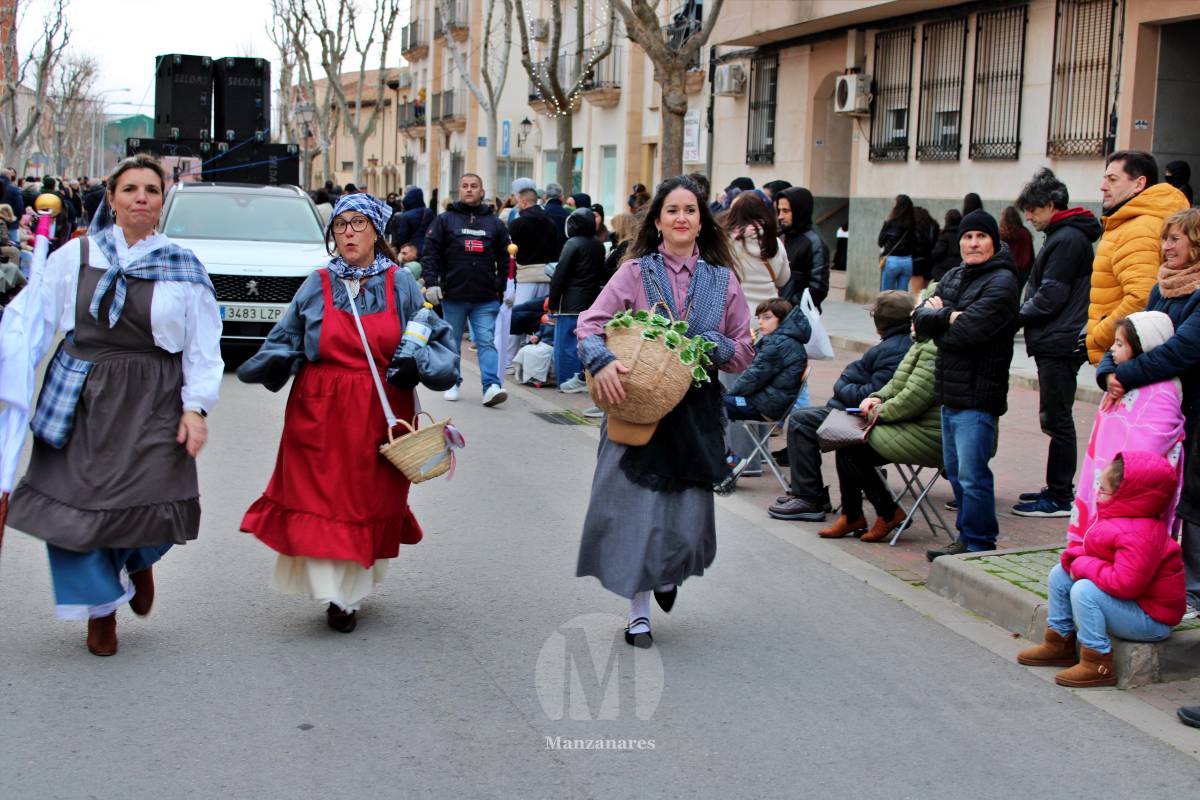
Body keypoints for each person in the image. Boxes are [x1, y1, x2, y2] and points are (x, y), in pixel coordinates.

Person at [0, 154, 222, 656]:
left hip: (153, 397)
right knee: (71, 503)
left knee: (147, 497)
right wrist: (7, 378)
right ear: (112, 198)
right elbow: (31, 320)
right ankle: (101, 612)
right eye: (129, 189)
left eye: (151, 189)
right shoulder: (75, 258)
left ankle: (136, 559)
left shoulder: (183, 267)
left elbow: (204, 347)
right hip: (79, 393)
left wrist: (196, 407)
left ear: (163, 202)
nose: (140, 196)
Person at [238, 192, 456, 633]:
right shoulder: (316, 283)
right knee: (318, 495)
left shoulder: (401, 283)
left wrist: (419, 363)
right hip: (319, 406)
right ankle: (332, 593)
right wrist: (276, 360)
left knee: (367, 497)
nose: (348, 233)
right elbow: (286, 336)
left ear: (376, 231)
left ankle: (351, 592)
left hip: (381, 405)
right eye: (340, 225)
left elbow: (437, 337)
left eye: (358, 224)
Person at [575, 175, 754, 647]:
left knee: (684, 517)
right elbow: (590, 324)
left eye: (690, 211)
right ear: (656, 222)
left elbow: (743, 349)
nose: (681, 218)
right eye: (672, 210)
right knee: (632, 511)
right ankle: (638, 615)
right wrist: (603, 361)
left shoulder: (723, 281)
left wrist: (716, 346)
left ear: (701, 221)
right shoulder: (634, 272)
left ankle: (667, 574)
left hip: (694, 413)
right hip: (636, 408)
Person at [1097, 208, 1200, 614]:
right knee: (1157, 490)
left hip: (1195, 406)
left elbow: (1185, 349)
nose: (1166, 246)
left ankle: (1193, 588)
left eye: (1176, 239)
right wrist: (1109, 372)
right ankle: (1150, 570)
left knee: (1193, 497)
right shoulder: (1163, 287)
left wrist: (1128, 375)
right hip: (1159, 411)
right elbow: (1131, 332)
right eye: (1164, 238)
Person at [1016, 453, 1185, 688]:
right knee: (1060, 573)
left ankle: (1098, 662)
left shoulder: (1140, 533)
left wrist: (1083, 565)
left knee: (1085, 590)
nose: (1097, 494)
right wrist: (1077, 561)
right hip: (1133, 603)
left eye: (1104, 490)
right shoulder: (1119, 518)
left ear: (1130, 496)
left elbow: (1125, 584)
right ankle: (1059, 642)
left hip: (1152, 620)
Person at [914, 209, 1020, 560]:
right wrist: (946, 316)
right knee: (957, 473)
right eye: (967, 237)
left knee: (973, 475)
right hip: (950, 391)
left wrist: (939, 319)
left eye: (981, 237)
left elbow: (968, 333)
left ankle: (978, 542)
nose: (973, 243)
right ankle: (967, 538)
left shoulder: (1002, 282)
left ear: (994, 241)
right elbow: (918, 322)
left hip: (978, 393)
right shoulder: (955, 275)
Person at [767, 291, 914, 521]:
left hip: (865, 415)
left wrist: (844, 383)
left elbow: (873, 394)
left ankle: (809, 498)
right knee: (808, 419)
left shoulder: (895, 349)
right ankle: (817, 499)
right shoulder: (896, 344)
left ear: (881, 322)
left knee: (801, 421)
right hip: (860, 411)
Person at [1012, 168, 1103, 517]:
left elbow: (1051, 295)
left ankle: (1060, 495)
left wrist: (1015, 316)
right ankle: (1056, 489)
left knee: (1057, 419)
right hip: (1058, 337)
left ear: (1050, 205)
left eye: (1033, 210)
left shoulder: (1066, 239)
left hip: (1059, 340)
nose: (1029, 217)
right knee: (1055, 417)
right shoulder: (1064, 235)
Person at [820, 304, 940, 542]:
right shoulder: (920, 346)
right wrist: (875, 397)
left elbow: (911, 401)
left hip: (929, 432)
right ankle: (853, 515)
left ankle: (886, 513)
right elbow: (896, 386)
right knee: (845, 440)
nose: (911, 325)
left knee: (852, 447)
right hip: (910, 424)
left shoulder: (932, 350)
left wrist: (877, 410)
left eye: (915, 320)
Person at [1071, 312, 1185, 550]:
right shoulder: (1119, 383)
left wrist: (1117, 475)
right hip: (1104, 477)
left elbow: (1153, 445)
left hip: (1128, 489)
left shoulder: (1162, 392)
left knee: (1123, 543)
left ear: (1143, 347)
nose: (1112, 349)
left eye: (1120, 344)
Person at [1086, 150, 1190, 364]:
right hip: (1123, 351)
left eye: (1112, 179)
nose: (1103, 186)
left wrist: (1098, 336)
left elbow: (1141, 297)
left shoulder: (1138, 227)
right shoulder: (1128, 221)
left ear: (1139, 184)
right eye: (1104, 179)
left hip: (1126, 354)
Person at [422, 172, 511, 406]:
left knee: (486, 340)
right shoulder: (445, 220)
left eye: (474, 186)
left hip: (485, 297)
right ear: (459, 191)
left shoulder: (495, 224)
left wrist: (503, 287)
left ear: (482, 191)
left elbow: (505, 259)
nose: (469, 189)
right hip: (453, 295)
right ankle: (453, 381)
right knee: (451, 342)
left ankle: (491, 386)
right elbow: (430, 253)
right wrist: (431, 283)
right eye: (465, 186)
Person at [722, 191, 790, 477]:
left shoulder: (728, 242)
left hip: (736, 324)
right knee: (758, 391)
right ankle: (758, 457)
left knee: (733, 389)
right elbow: (784, 278)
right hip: (769, 326)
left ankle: (738, 457)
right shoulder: (774, 243)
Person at [715, 297, 809, 493]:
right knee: (714, 404)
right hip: (768, 402)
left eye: (767, 318)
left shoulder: (778, 344)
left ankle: (730, 460)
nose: (761, 323)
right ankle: (724, 459)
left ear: (781, 319)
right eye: (759, 318)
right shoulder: (785, 340)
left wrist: (730, 395)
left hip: (764, 406)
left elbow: (752, 377)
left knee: (711, 406)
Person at [549, 207, 605, 392]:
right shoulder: (598, 244)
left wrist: (552, 303)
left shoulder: (572, 243)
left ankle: (566, 380)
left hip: (571, 302)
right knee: (583, 343)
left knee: (567, 345)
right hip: (591, 301)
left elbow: (560, 275)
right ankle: (582, 378)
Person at [775, 186, 829, 309]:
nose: (780, 216)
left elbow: (818, 289)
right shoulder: (780, 238)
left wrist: (788, 306)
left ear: (800, 211)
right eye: (779, 210)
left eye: (786, 211)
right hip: (773, 316)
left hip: (797, 319)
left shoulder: (814, 244)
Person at [878, 194, 917, 290]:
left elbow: (880, 241)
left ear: (898, 206)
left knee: (886, 295)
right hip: (907, 261)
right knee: (902, 297)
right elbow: (915, 243)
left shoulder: (891, 223)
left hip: (892, 260)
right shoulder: (913, 224)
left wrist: (885, 224)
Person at [386, 186, 434, 256]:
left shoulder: (405, 216)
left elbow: (402, 237)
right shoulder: (429, 212)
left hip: (411, 251)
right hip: (428, 248)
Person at [999, 205, 1034, 295]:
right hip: (1022, 271)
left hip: (1006, 270)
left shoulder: (1002, 233)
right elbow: (1030, 254)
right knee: (1016, 296)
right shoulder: (1025, 233)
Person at [909, 206, 939, 295]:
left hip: (917, 263)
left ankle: (919, 308)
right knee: (925, 292)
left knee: (917, 294)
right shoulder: (934, 226)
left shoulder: (914, 228)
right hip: (930, 263)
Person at [930, 208, 962, 282]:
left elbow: (937, 253)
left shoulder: (945, 235)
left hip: (943, 272)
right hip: (959, 270)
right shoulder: (963, 235)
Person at [543, 182, 570, 249]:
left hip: (543, 256)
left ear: (545, 196)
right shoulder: (568, 215)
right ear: (561, 197)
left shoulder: (540, 212)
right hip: (562, 255)